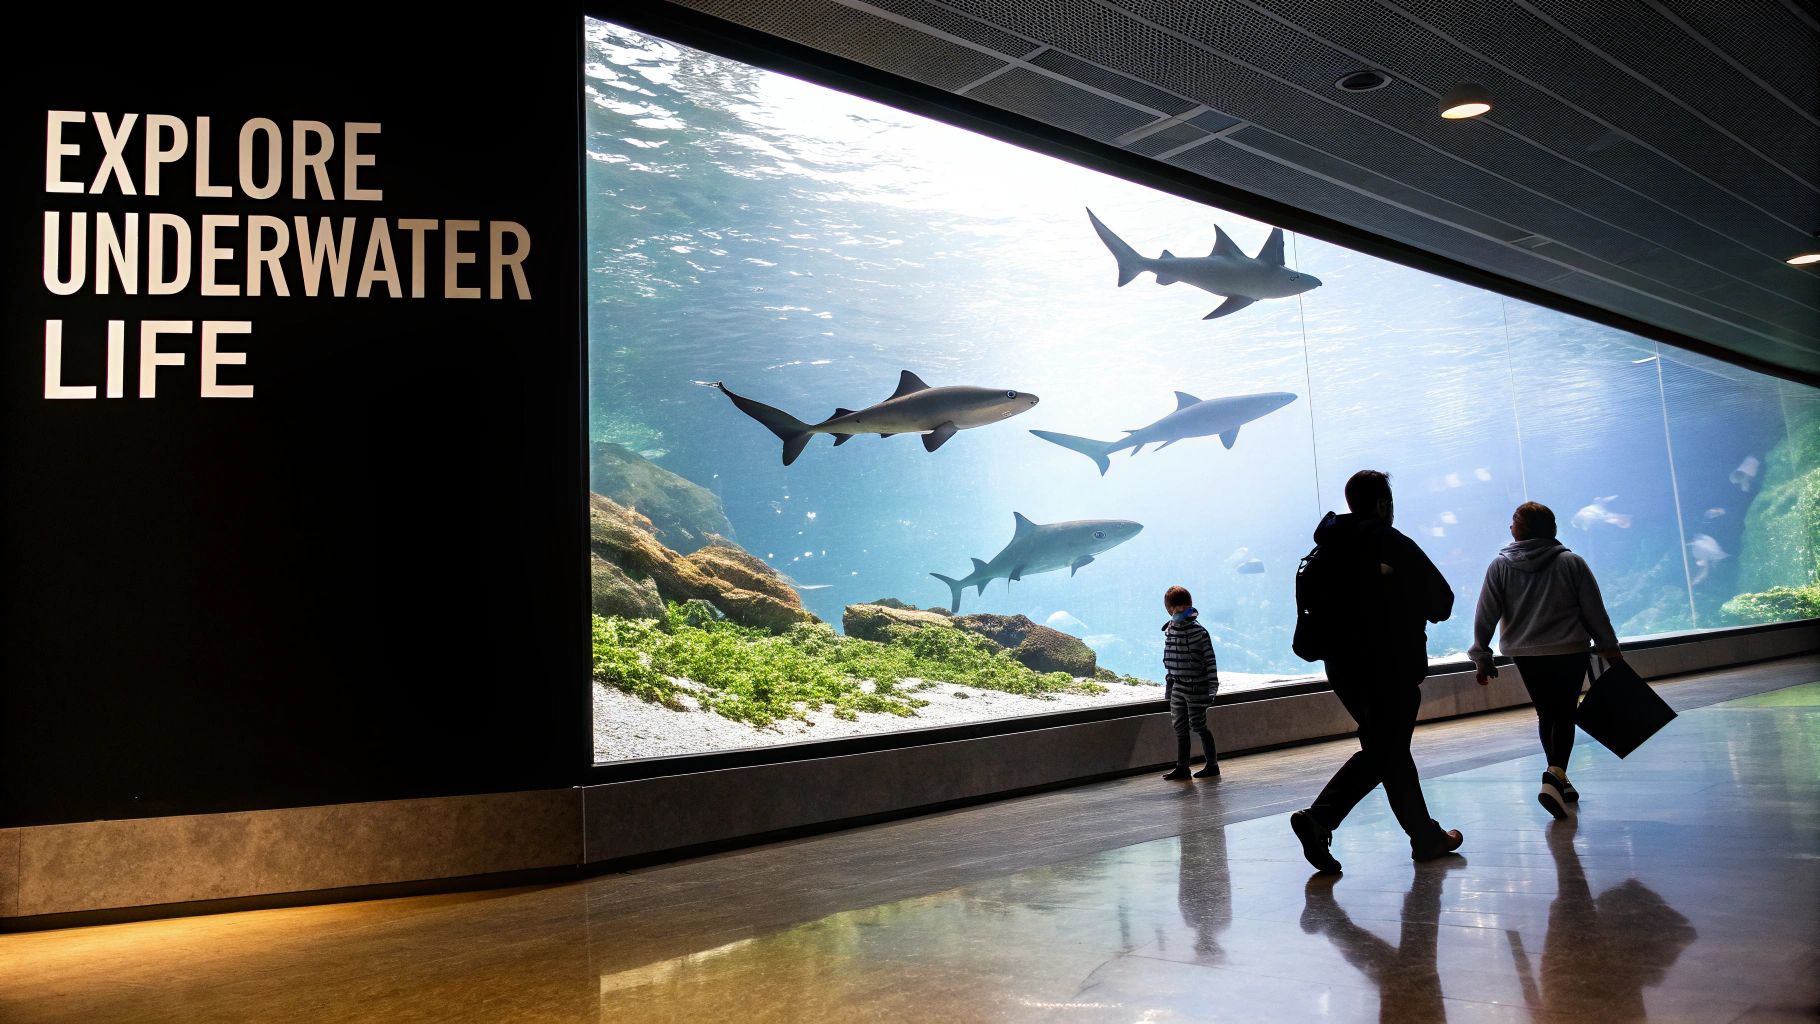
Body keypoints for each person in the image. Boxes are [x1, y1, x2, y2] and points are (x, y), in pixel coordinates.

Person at [1290, 470, 1463, 872]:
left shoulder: (1325, 547)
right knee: (1386, 751)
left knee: (1389, 750)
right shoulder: (1389, 541)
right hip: (1390, 665)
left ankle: (1426, 838)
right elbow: (1442, 602)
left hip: (1342, 670)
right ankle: (1319, 818)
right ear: (1384, 504)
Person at [1468, 501, 1623, 818]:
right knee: (1564, 713)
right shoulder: (1571, 563)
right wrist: (1609, 648)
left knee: (1547, 714)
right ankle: (1554, 777)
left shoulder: (1500, 567)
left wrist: (1481, 654)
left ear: (1521, 528)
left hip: (1526, 653)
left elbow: (1486, 612)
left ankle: (1558, 779)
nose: (1509, 526)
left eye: (1513, 520)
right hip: (1569, 649)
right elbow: (1594, 610)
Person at [1160, 585, 1220, 781]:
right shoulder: (1169, 629)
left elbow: (1210, 660)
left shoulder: (1199, 632)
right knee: (1180, 727)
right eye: (1176, 608)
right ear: (1169, 609)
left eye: (1183, 607)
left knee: (1199, 725)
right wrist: (1170, 687)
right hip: (1178, 685)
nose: (1179, 611)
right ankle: (1182, 767)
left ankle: (1212, 765)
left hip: (1196, 686)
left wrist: (1212, 687)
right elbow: (1170, 660)